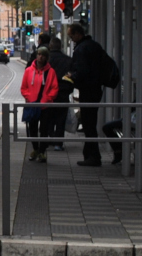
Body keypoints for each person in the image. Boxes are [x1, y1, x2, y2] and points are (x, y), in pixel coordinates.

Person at [62, 22, 111, 167]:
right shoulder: (94, 45)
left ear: (78, 34)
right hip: (96, 89)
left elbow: (82, 71)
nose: (71, 40)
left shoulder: (82, 49)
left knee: (89, 124)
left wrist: (72, 76)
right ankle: (90, 154)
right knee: (90, 123)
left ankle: (93, 156)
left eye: (72, 36)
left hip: (88, 90)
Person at [20, 47, 59, 163]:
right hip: (32, 105)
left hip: (45, 106)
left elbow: (54, 88)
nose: (40, 57)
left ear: (46, 58)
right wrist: (29, 98)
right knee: (32, 129)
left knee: (44, 130)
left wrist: (47, 99)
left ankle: (42, 151)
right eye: (39, 54)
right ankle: (35, 149)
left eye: (43, 55)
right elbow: (24, 88)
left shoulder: (50, 72)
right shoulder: (28, 71)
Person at [46, 36, 72, 151]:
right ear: (60, 46)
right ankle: (58, 143)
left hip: (49, 94)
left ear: (50, 46)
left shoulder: (46, 60)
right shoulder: (68, 60)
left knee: (49, 118)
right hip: (63, 93)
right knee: (61, 119)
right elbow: (72, 77)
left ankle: (50, 138)